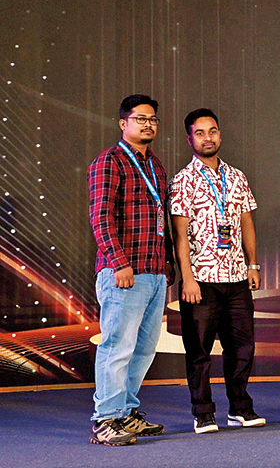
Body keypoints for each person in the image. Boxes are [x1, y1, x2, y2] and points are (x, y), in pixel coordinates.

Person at [170, 108, 265, 434]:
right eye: (199, 133)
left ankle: (240, 408)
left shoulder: (236, 177)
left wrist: (252, 264)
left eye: (212, 131)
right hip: (201, 280)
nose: (207, 138)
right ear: (189, 139)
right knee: (199, 352)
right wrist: (188, 278)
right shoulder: (182, 180)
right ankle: (203, 413)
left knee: (242, 348)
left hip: (237, 277)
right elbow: (179, 235)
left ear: (220, 135)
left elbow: (246, 222)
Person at [87, 94, 175, 446]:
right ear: (123, 123)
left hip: (154, 272)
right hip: (123, 272)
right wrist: (119, 262)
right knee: (117, 346)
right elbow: (101, 218)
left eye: (152, 119)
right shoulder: (110, 161)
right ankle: (105, 420)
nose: (148, 124)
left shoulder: (156, 166)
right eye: (140, 119)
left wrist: (166, 266)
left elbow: (161, 218)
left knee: (143, 349)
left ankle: (125, 412)